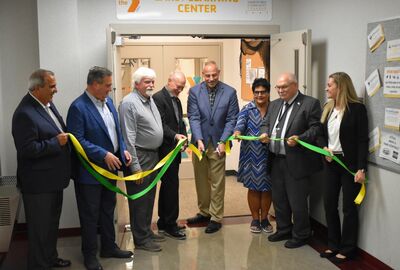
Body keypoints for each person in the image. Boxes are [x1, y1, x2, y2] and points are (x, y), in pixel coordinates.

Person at [67, 67, 133, 270]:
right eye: (107, 85)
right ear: (94, 85)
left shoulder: (109, 103)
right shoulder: (78, 107)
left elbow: (117, 132)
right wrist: (103, 154)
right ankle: (89, 255)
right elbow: (77, 140)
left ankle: (109, 247)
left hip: (111, 170)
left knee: (107, 211)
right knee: (90, 215)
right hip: (89, 174)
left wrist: (123, 150)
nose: (110, 89)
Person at [12, 69, 72, 269]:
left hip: (54, 180)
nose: (56, 90)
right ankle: (39, 264)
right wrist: (56, 143)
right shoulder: (24, 113)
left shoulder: (46, 104)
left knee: (51, 226)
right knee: (39, 230)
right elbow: (27, 149)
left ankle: (50, 258)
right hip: (38, 185)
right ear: (37, 88)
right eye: (52, 86)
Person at [260, 72, 322, 249]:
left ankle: (301, 234)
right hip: (276, 159)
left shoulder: (310, 103)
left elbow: (316, 129)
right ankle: (284, 229)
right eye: (278, 87)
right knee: (279, 199)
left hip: (297, 161)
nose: (280, 90)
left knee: (297, 201)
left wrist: (300, 138)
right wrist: (264, 133)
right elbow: (265, 123)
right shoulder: (274, 104)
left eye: (284, 87)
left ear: (295, 85)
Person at [318, 72, 368, 263]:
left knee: (349, 208)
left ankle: (347, 249)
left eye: (330, 85)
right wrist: (324, 149)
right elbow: (321, 134)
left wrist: (361, 169)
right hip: (330, 164)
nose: (326, 88)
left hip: (350, 166)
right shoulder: (328, 108)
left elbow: (363, 141)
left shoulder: (357, 109)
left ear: (340, 87)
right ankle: (333, 244)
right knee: (329, 204)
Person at [187, 60, 239, 233]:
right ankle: (204, 212)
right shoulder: (194, 91)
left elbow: (232, 119)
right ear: (203, 74)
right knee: (201, 180)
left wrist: (223, 141)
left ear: (219, 72)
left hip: (219, 143)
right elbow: (193, 117)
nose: (211, 79)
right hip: (199, 143)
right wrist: (199, 139)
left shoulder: (230, 92)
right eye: (207, 75)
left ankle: (216, 217)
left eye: (214, 75)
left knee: (217, 182)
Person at [119, 67, 165, 252]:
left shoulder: (149, 99)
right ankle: (141, 239)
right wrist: (136, 168)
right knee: (139, 199)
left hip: (153, 155)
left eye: (153, 81)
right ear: (136, 83)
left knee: (149, 197)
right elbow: (128, 137)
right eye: (147, 81)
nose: (151, 85)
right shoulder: (129, 103)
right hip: (140, 156)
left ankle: (146, 231)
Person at [233, 78, 273, 234]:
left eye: (263, 92)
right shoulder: (247, 108)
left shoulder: (275, 108)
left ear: (268, 93)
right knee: (254, 188)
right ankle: (255, 219)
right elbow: (240, 124)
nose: (260, 95)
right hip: (251, 155)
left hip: (270, 154)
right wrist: (237, 132)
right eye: (257, 92)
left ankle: (265, 219)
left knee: (267, 188)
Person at [152, 71, 188, 240]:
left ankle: (164, 222)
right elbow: (161, 125)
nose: (180, 90)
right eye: (178, 86)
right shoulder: (159, 98)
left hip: (175, 150)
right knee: (170, 187)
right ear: (169, 81)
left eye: (182, 87)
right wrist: (175, 136)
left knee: (170, 187)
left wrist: (183, 138)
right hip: (165, 151)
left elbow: (179, 122)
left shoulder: (177, 100)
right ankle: (170, 224)